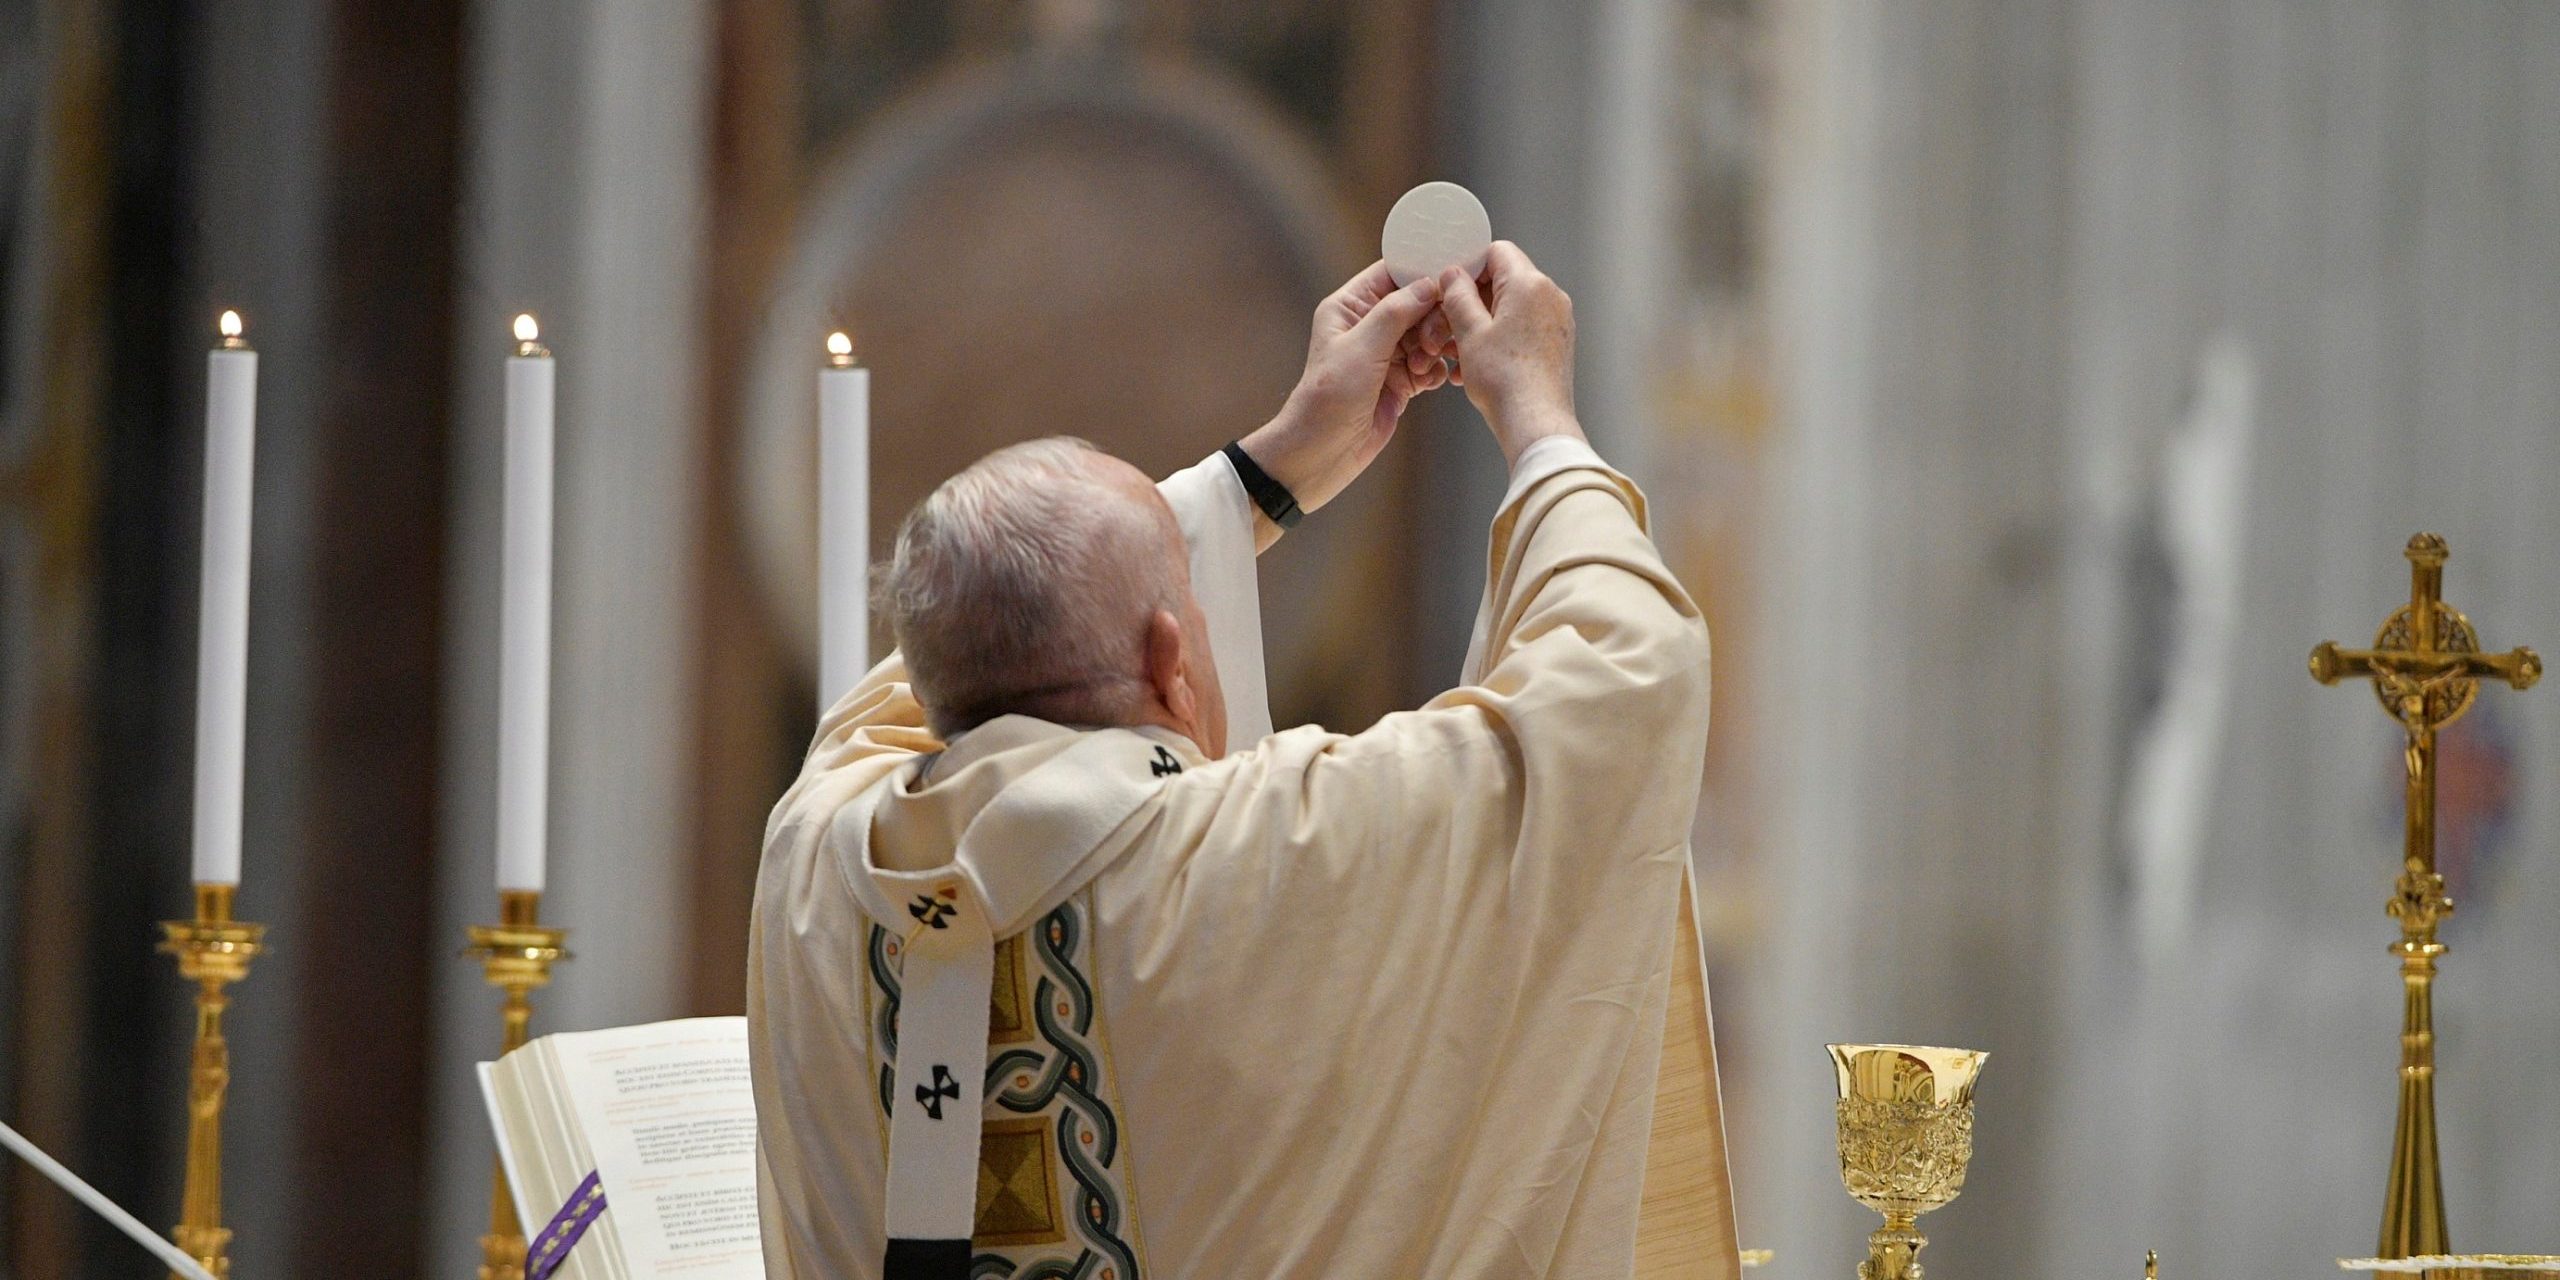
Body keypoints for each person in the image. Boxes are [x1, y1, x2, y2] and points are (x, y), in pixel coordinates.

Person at [749, 243, 1720, 1280]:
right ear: (1172, 657)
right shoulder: (1282, 849)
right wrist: (1538, 413)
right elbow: (1624, 675)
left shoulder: (817, 857)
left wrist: (1268, 468)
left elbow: (956, 644)